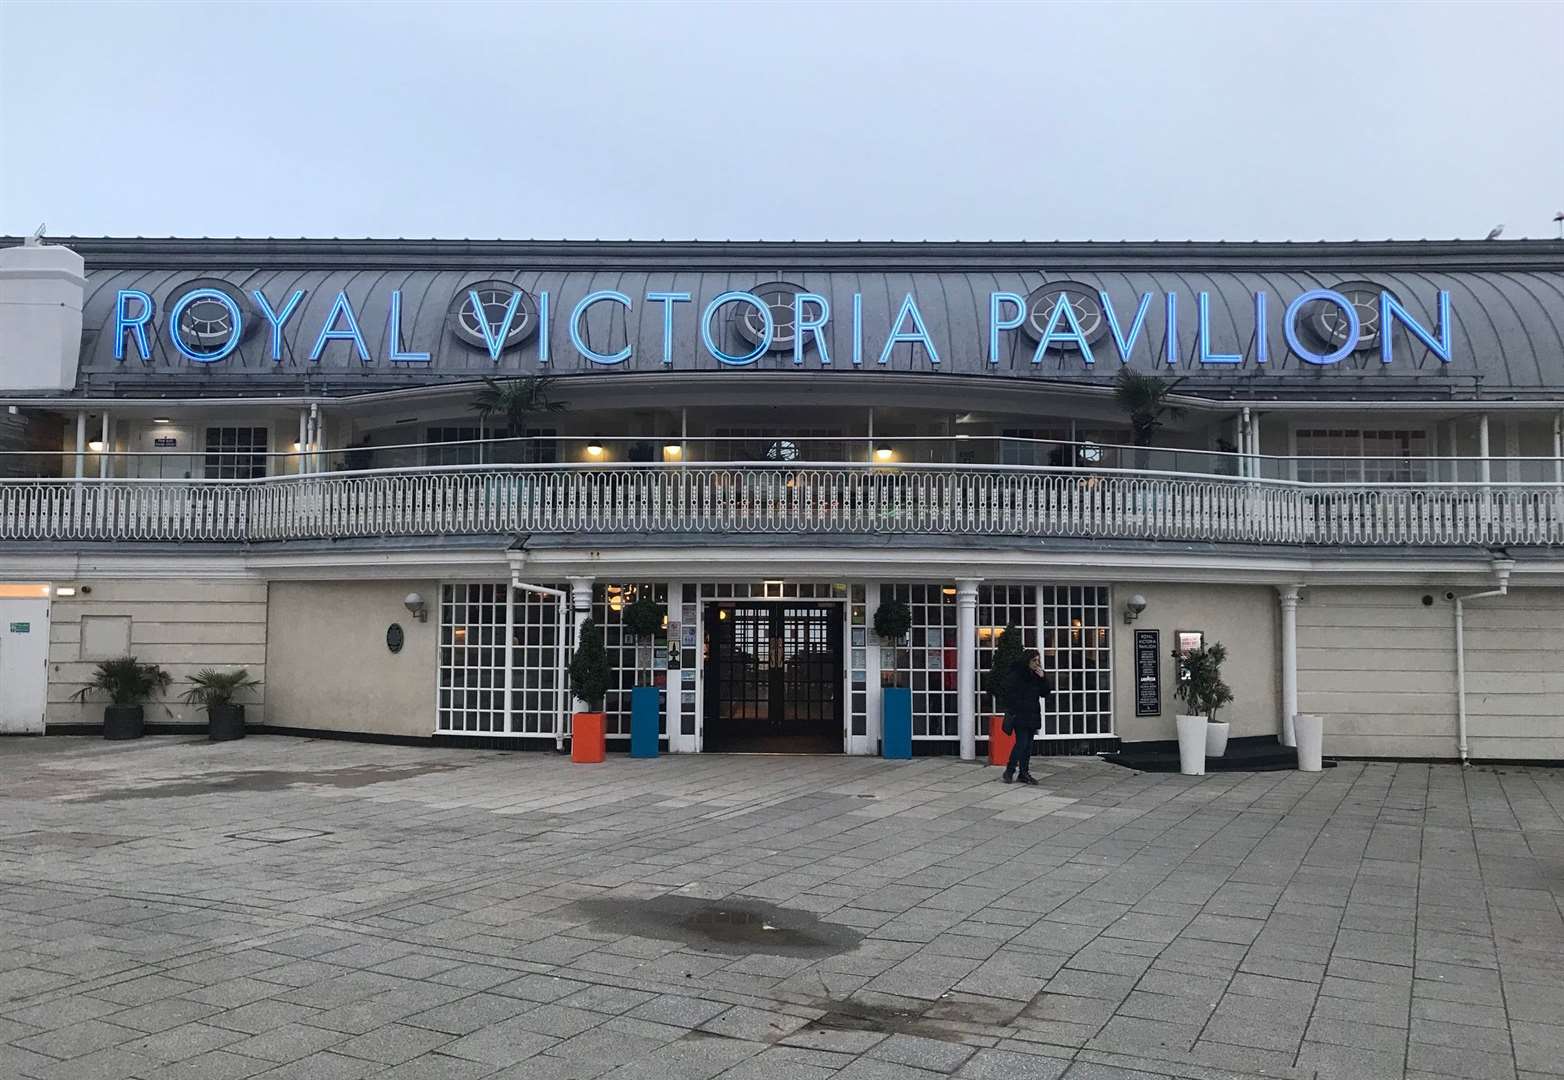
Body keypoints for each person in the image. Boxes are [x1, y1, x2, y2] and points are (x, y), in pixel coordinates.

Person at [1002, 649, 1054, 785]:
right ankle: (1009, 770)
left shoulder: (1037, 676)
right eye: (1034, 660)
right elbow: (1008, 692)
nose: (1037, 663)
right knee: (1021, 743)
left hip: (1032, 714)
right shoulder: (1017, 675)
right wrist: (1016, 706)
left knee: (1028, 746)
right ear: (1027, 661)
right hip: (1020, 714)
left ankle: (1024, 773)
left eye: (1038, 660)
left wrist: (1043, 678)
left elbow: (1045, 693)